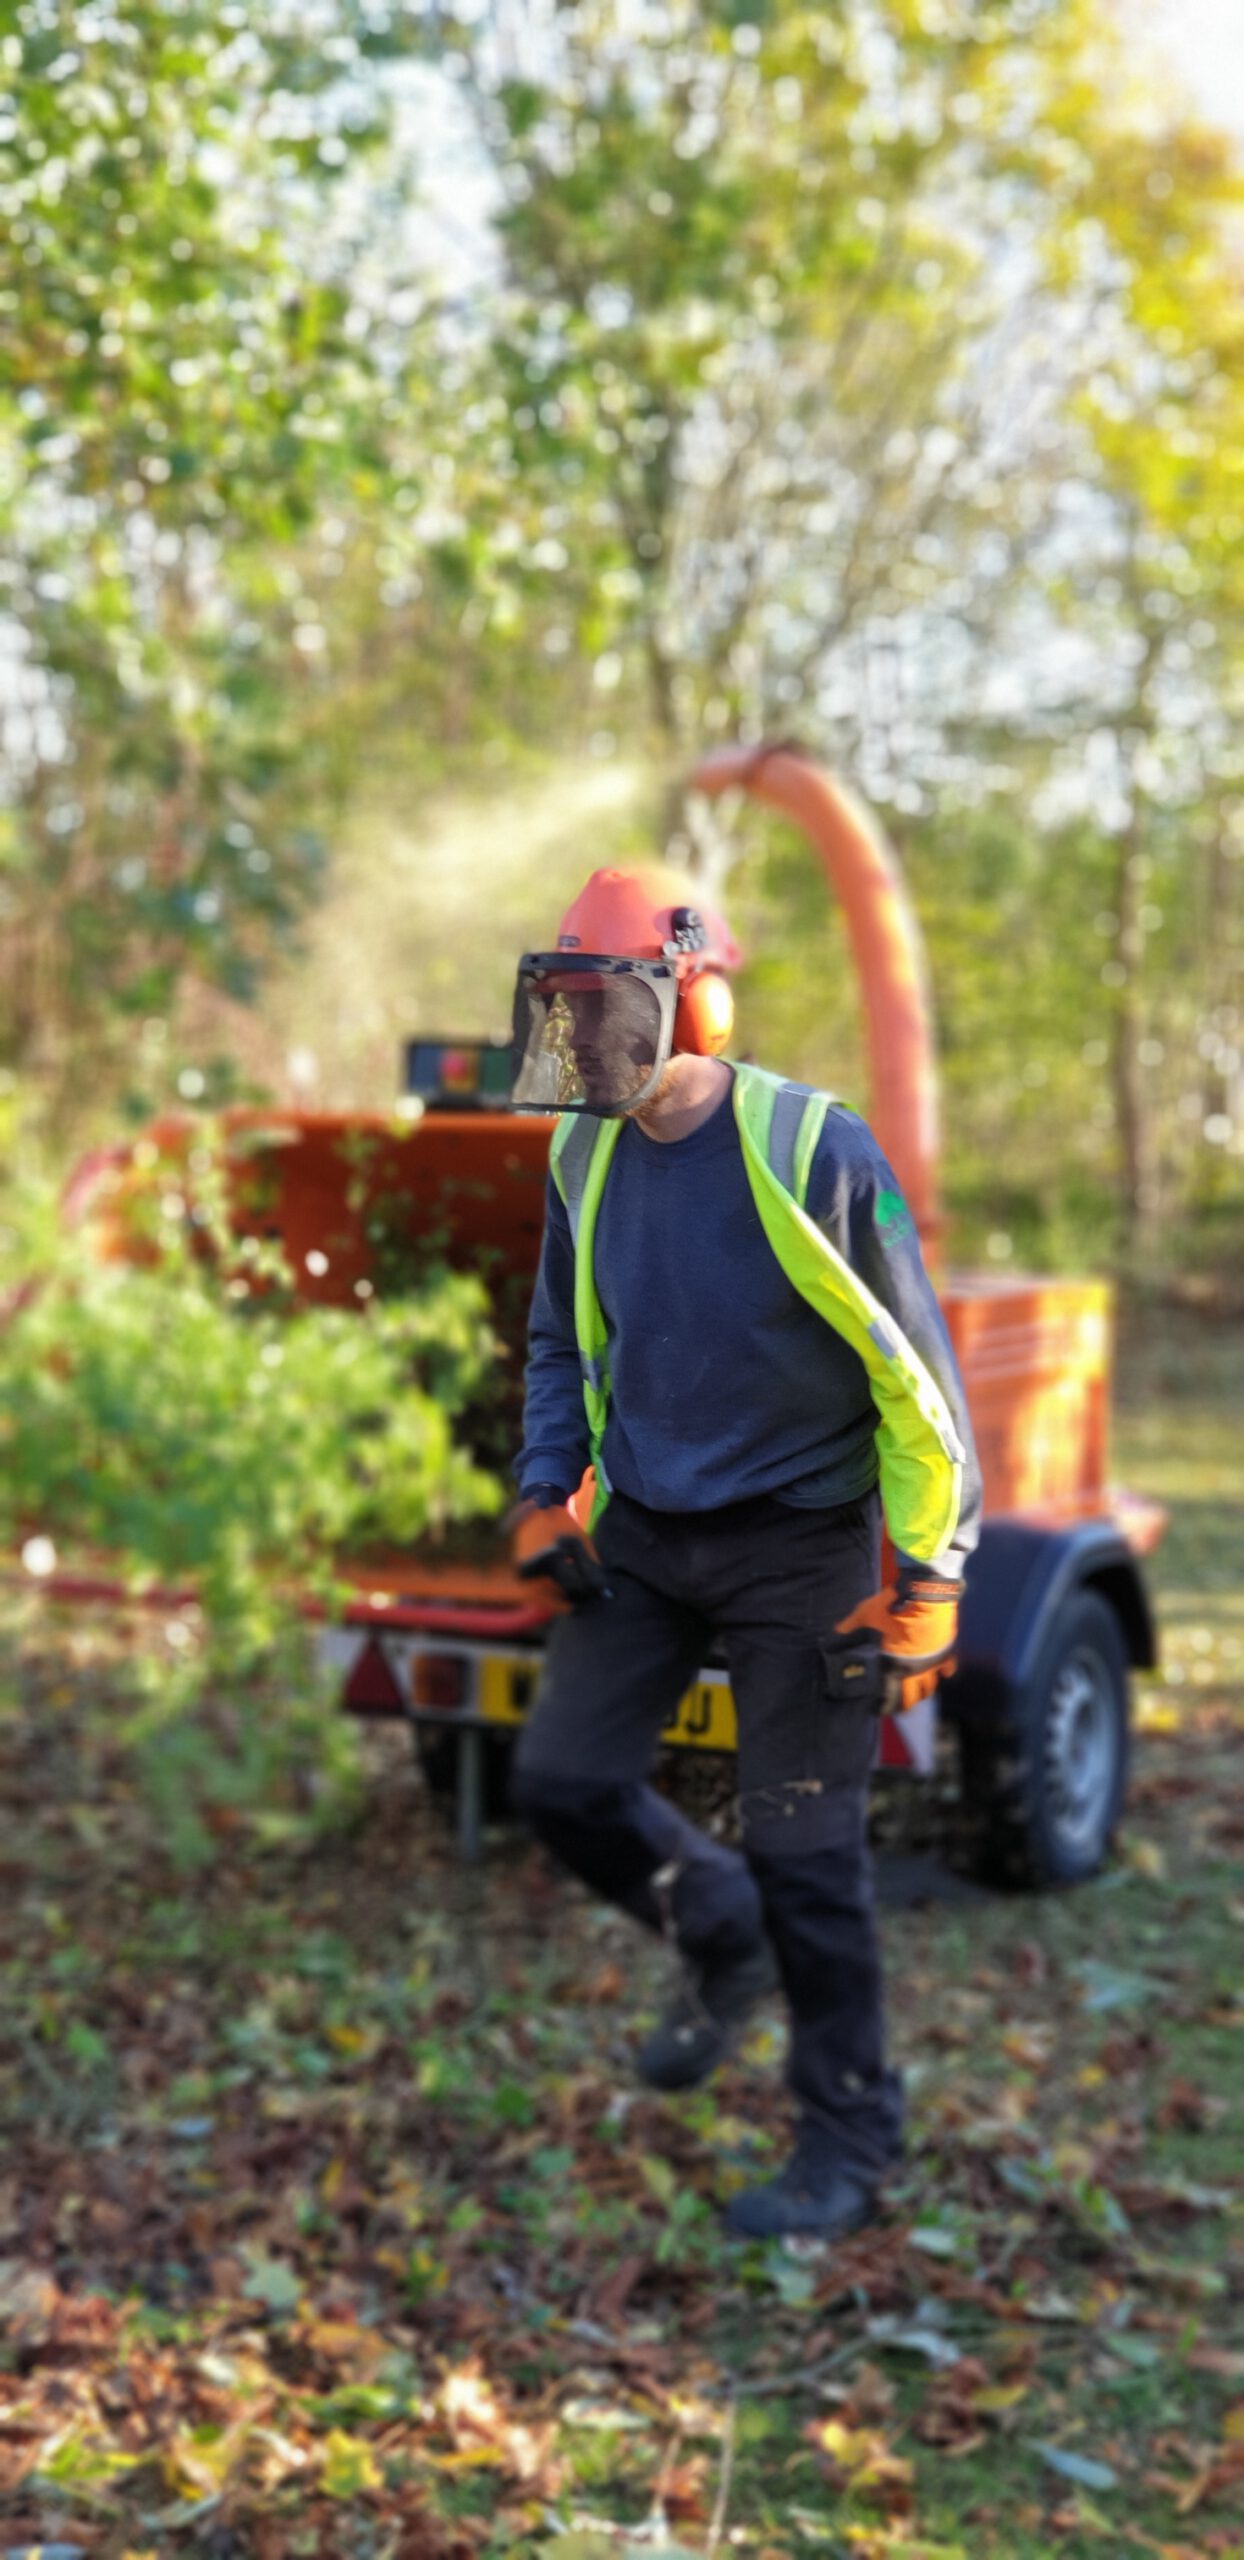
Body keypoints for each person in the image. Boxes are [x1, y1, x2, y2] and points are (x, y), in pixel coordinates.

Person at [506, 864, 981, 2240]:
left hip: (800, 1546)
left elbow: (918, 1380)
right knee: (563, 1783)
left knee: (809, 1856)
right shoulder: (579, 1153)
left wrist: (932, 1575)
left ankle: (850, 2133)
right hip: (648, 1533)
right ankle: (716, 1935)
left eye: (603, 1007)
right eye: (565, 1008)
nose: (581, 1040)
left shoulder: (817, 1149)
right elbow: (557, 1338)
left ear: (694, 996)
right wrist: (549, 1488)